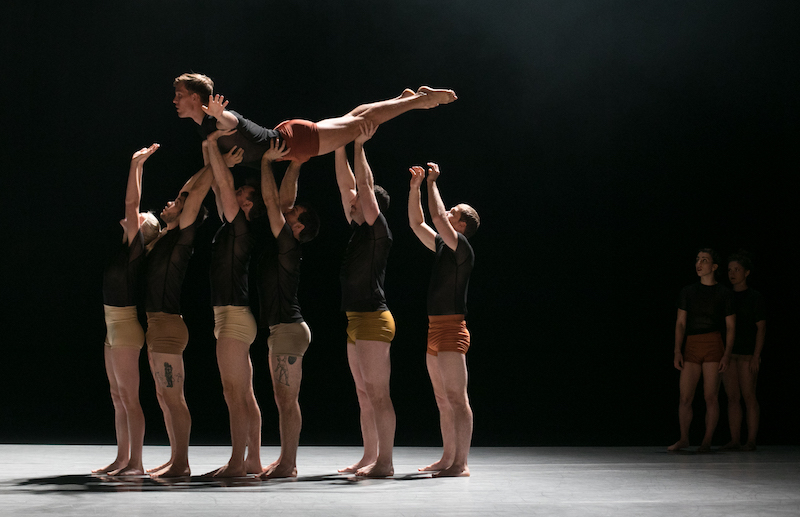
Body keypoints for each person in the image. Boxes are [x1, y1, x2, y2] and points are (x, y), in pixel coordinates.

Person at [172, 72, 457, 168]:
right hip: (290, 135)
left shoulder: (214, 121)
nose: (175, 100)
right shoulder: (203, 128)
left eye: (180, 95)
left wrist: (220, 114)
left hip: (296, 142)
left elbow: (231, 123)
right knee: (352, 118)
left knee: (360, 124)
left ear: (195, 98)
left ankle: (421, 100)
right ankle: (401, 99)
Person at [143, 148, 215, 478]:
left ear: (187, 214)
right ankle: (175, 457)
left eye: (176, 203)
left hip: (168, 327)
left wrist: (216, 163)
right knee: (163, 396)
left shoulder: (182, 236)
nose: (170, 202)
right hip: (156, 325)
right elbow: (187, 191)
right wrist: (208, 163)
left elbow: (193, 195)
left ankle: (182, 463)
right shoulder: (164, 236)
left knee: (173, 397)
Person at [201, 130, 266, 477]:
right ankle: (252, 460)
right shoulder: (231, 226)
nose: (236, 191)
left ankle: (237, 463)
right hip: (231, 316)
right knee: (244, 393)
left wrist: (215, 147)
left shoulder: (241, 228)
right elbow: (217, 185)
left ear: (248, 205)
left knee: (233, 394)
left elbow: (223, 185)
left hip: (234, 318)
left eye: (243, 193)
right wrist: (208, 146)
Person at [408, 162, 479, 477]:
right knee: (441, 398)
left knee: (456, 398)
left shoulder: (462, 248)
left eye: (454, 212)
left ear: (461, 225)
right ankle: (447, 457)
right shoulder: (442, 245)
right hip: (434, 329)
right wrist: (414, 189)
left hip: (452, 330)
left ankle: (461, 463)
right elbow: (417, 223)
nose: (448, 212)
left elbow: (437, 217)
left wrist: (432, 183)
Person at [93, 144, 161, 476]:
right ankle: (122, 459)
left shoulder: (136, 249)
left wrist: (136, 164)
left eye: (142, 217)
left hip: (125, 330)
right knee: (117, 396)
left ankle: (136, 462)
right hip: (112, 329)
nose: (138, 214)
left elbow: (132, 203)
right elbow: (134, 207)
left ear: (143, 231)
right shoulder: (125, 250)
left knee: (130, 398)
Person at [256, 140, 320, 479]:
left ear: (299, 227)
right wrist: (296, 164)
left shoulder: (287, 244)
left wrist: (266, 162)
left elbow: (272, 203)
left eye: (293, 214)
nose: (287, 212)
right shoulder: (284, 243)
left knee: (286, 400)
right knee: (283, 400)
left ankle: (289, 463)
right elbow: (281, 202)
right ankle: (285, 460)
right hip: (282, 330)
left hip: (289, 330)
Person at [334, 123, 396, 477]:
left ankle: (384, 462)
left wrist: (358, 146)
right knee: (363, 393)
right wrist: (338, 145)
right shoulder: (359, 228)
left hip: (373, 318)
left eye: (356, 199)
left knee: (378, 393)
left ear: (370, 205)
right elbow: (347, 184)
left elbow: (363, 186)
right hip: (355, 320)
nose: (350, 200)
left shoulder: (377, 230)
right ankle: (369, 456)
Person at [668, 249, 735, 452]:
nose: (699, 263)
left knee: (710, 397)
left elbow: (731, 326)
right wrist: (677, 350)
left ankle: (706, 441)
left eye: (704, 260)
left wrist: (727, 354)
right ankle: (684, 438)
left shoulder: (723, 292)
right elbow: (680, 323)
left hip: (713, 343)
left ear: (714, 266)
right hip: (692, 344)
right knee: (685, 397)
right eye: (697, 259)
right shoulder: (688, 291)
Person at [721, 251, 766, 451]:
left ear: (746, 272)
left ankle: (751, 440)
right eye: (730, 270)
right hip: (729, 354)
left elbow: (761, 328)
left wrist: (756, 355)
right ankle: (735, 439)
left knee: (749, 396)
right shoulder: (726, 296)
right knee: (732, 397)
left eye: (737, 269)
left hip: (747, 353)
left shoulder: (755, 297)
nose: (732, 273)